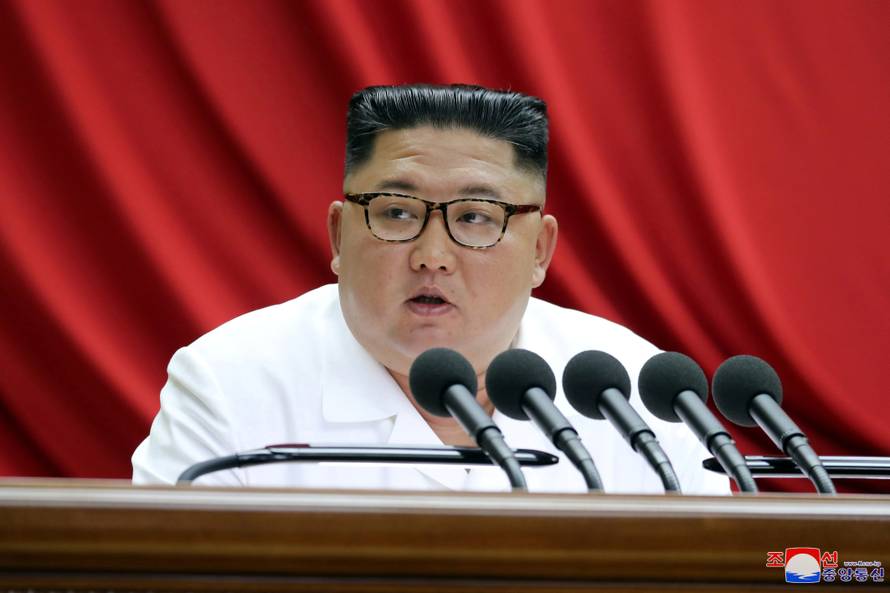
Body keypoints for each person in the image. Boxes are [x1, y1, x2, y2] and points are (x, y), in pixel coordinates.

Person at [132, 84, 729, 494]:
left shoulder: (628, 389)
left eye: (475, 216)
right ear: (340, 236)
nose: (432, 256)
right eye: (395, 212)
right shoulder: (231, 379)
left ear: (540, 251)